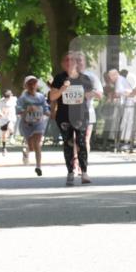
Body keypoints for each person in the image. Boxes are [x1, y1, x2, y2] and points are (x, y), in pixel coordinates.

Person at [50, 52, 95, 185]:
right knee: (68, 143)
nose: (69, 62)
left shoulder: (84, 78)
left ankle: (84, 172)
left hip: (81, 116)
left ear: (76, 63)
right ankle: (70, 172)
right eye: (66, 60)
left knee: (81, 142)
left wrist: (94, 94)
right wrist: (62, 89)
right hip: (64, 116)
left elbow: (89, 95)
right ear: (62, 64)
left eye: (72, 60)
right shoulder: (59, 78)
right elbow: (52, 97)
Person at [17, 75, 49, 176]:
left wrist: (52, 114)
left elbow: (45, 109)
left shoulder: (41, 97)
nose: (32, 85)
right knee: (31, 147)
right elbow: (18, 110)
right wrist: (27, 110)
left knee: (37, 144)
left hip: (38, 123)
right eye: (29, 84)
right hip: (27, 125)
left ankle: (38, 166)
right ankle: (26, 152)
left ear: (37, 85)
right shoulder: (23, 98)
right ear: (25, 86)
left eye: (34, 83)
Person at [0, 89, 18, 155]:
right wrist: (0, 113)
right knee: (4, 135)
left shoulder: (14, 99)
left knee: (10, 126)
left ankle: (12, 137)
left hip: (11, 118)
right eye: (6, 97)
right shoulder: (1, 101)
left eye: (8, 97)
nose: (7, 99)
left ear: (11, 95)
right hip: (4, 119)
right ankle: (4, 148)